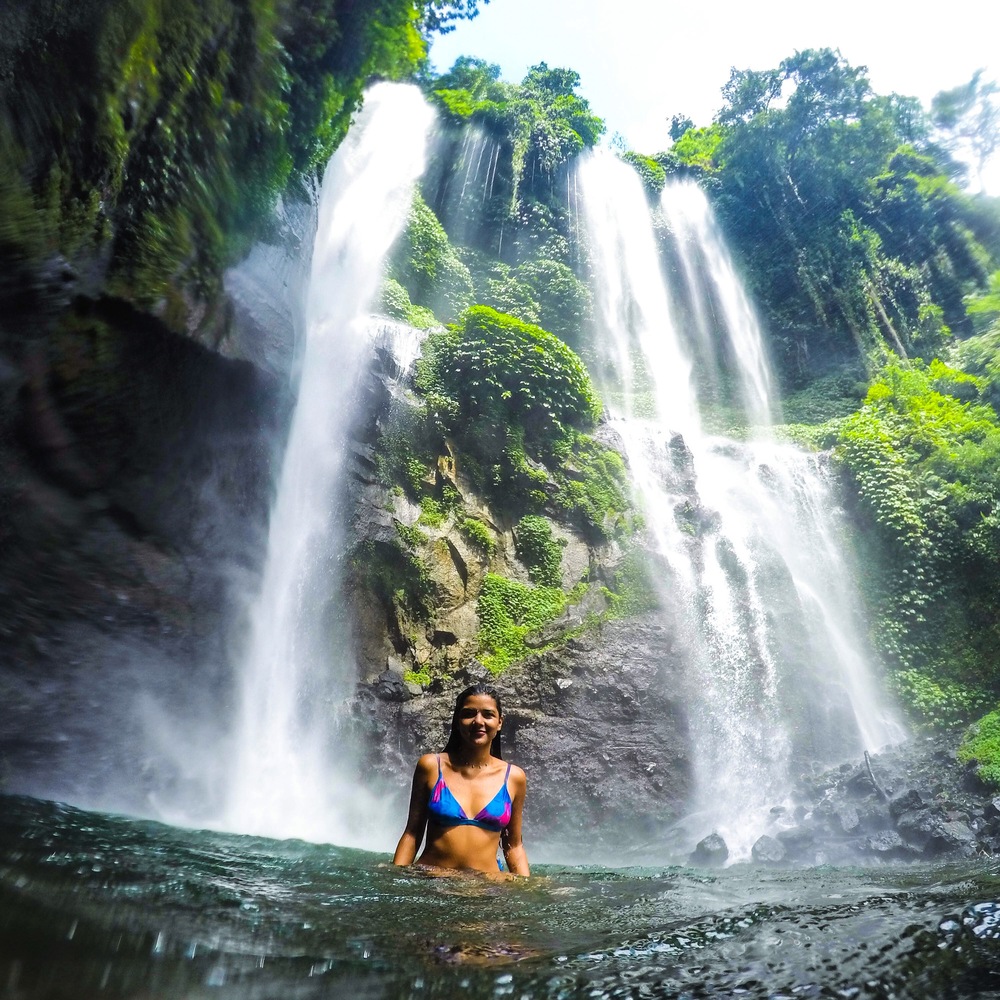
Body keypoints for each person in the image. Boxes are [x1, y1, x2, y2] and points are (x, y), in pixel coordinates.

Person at [393, 682, 530, 876]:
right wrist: (396, 879)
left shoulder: (514, 777)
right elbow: (412, 833)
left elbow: (514, 846)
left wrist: (526, 887)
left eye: (488, 714)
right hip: (432, 881)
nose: (478, 721)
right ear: (457, 721)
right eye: (469, 714)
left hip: (487, 887)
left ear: (500, 722)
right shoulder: (431, 766)